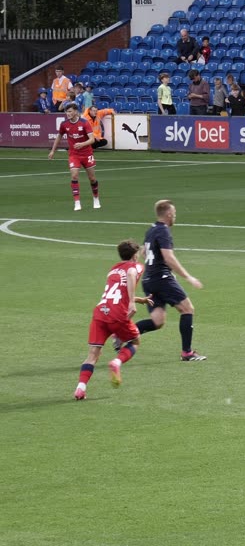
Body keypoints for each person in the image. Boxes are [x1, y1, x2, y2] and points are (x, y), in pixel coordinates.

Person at [73, 241, 150, 400]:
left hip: (101, 312)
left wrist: (138, 299)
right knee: (135, 342)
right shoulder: (135, 266)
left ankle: (80, 388)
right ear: (135, 255)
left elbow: (115, 293)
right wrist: (131, 303)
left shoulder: (113, 270)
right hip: (117, 314)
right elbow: (130, 275)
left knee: (93, 354)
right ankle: (117, 362)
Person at [135, 200, 205, 361]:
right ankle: (187, 352)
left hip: (149, 279)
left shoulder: (151, 230)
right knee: (187, 309)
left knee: (157, 321)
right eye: (174, 213)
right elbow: (169, 257)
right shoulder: (163, 231)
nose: (175, 216)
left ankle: (123, 333)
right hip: (162, 279)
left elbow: (144, 252)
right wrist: (188, 277)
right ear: (168, 214)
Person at [47, 103, 101, 211]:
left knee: (92, 178)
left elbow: (92, 139)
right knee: (74, 176)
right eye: (67, 112)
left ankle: (96, 198)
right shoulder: (64, 124)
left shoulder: (84, 123)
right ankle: (77, 202)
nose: (68, 114)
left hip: (87, 154)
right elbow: (58, 137)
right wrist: (53, 151)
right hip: (74, 154)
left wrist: (82, 144)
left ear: (76, 111)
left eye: (70, 111)